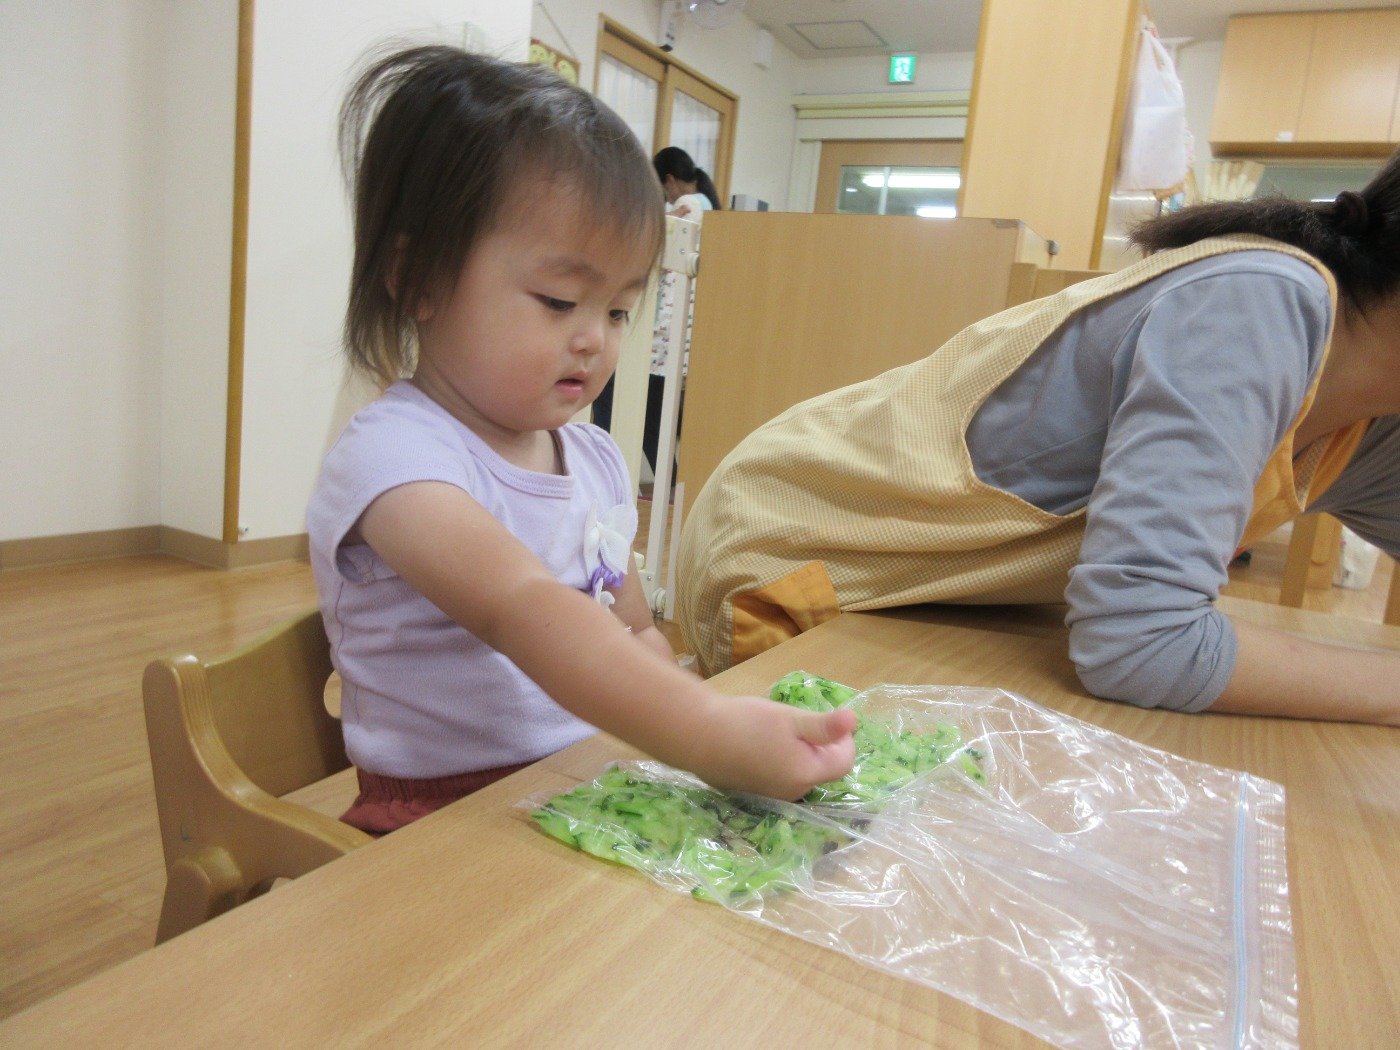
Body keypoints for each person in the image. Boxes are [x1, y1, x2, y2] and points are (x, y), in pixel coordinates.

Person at [308, 46, 855, 834]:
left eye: (619, 310)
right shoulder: (396, 461)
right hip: (443, 819)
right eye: (560, 301)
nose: (595, 339)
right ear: (419, 276)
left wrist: (684, 718)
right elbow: (521, 606)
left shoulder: (594, 461)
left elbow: (633, 628)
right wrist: (702, 730)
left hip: (586, 777)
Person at [677, 148, 1400, 727]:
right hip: (798, 561)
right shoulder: (1259, 303)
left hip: (949, 602)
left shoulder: (1368, 414)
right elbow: (1142, 645)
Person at [653, 145, 721, 217]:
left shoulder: (687, 203)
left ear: (670, 181)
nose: (668, 201)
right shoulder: (704, 199)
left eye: (665, 193)